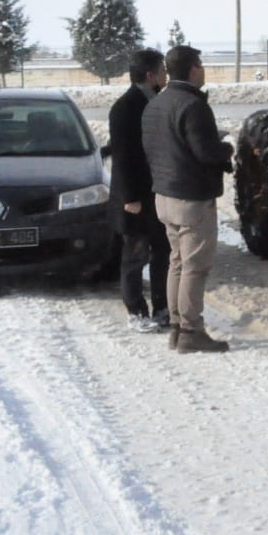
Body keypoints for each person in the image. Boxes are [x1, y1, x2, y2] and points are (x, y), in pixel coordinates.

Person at [142, 45, 234, 354]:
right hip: (191, 197)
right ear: (193, 69)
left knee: (177, 263)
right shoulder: (193, 106)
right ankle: (191, 330)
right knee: (195, 267)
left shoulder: (156, 104)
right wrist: (228, 150)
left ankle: (177, 328)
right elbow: (205, 152)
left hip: (164, 195)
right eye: (201, 65)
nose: (204, 70)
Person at [108, 48, 170, 333]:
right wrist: (130, 198)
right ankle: (136, 311)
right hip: (135, 197)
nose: (166, 75)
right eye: (162, 70)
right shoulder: (124, 107)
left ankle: (162, 308)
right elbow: (123, 156)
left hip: (158, 193)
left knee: (162, 252)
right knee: (135, 255)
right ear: (150, 74)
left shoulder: (158, 101)